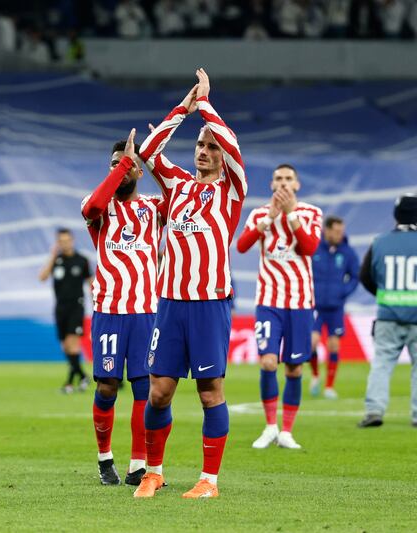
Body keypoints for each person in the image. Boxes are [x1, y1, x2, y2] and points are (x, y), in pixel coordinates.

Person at [133, 69, 246, 499]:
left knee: (209, 391)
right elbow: (148, 149)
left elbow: (233, 145)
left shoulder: (233, 191)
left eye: (211, 147)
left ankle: (209, 481)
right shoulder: (177, 184)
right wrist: (185, 105)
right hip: (170, 304)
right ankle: (154, 472)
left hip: (209, 303)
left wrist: (207, 106)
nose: (204, 151)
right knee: (158, 392)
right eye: (200, 145)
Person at [80, 128, 165, 486]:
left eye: (128, 165)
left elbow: (178, 195)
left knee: (145, 389)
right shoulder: (99, 208)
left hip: (146, 312)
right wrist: (124, 162)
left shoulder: (152, 209)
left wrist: (147, 153)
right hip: (110, 313)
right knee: (107, 387)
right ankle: (104, 459)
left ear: (140, 172)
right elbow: (92, 207)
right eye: (114, 164)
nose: (121, 168)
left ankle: (138, 464)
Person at [236, 164, 322, 450]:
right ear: (272, 184)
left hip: (299, 302)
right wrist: (269, 219)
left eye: (288, 179)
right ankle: (271, 426)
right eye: (278, 179)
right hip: (269, 301)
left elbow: (309, 248)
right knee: (268, 362)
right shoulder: (259, 213)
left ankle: (287, 431)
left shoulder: (311, 213)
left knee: (295, 368)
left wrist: (290, 215)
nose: (283, 183)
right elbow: (243, 245)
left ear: (297, 185)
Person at [357, 194, 417, 429]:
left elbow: (365, 276)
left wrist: (383, 294)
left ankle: (374, 411)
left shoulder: (379, 242)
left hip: (388, 314)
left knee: (382, 364)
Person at [309, 215, 359, 399]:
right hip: (315, 305)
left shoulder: (348, 252)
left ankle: (329, 386)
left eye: (341, 232)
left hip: (336, 306)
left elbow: (355, 276)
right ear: (327, 230)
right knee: (311, 342)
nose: (340, 235)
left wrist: (343, 291)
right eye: (336, 231)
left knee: (334, 345)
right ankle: (315, 375)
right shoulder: (314, 248)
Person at [38, 228, 92, 394]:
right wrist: (52, 256)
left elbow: (91, 283)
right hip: (60, 308)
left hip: (76, 306)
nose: (65, 243)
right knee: (66, 346)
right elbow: (42, 277)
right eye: (61, 241)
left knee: (72, 343)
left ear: (72, 240)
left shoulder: (82, 260)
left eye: (67, 240)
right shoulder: (56, 260)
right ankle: (83, 377)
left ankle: (69, 382)